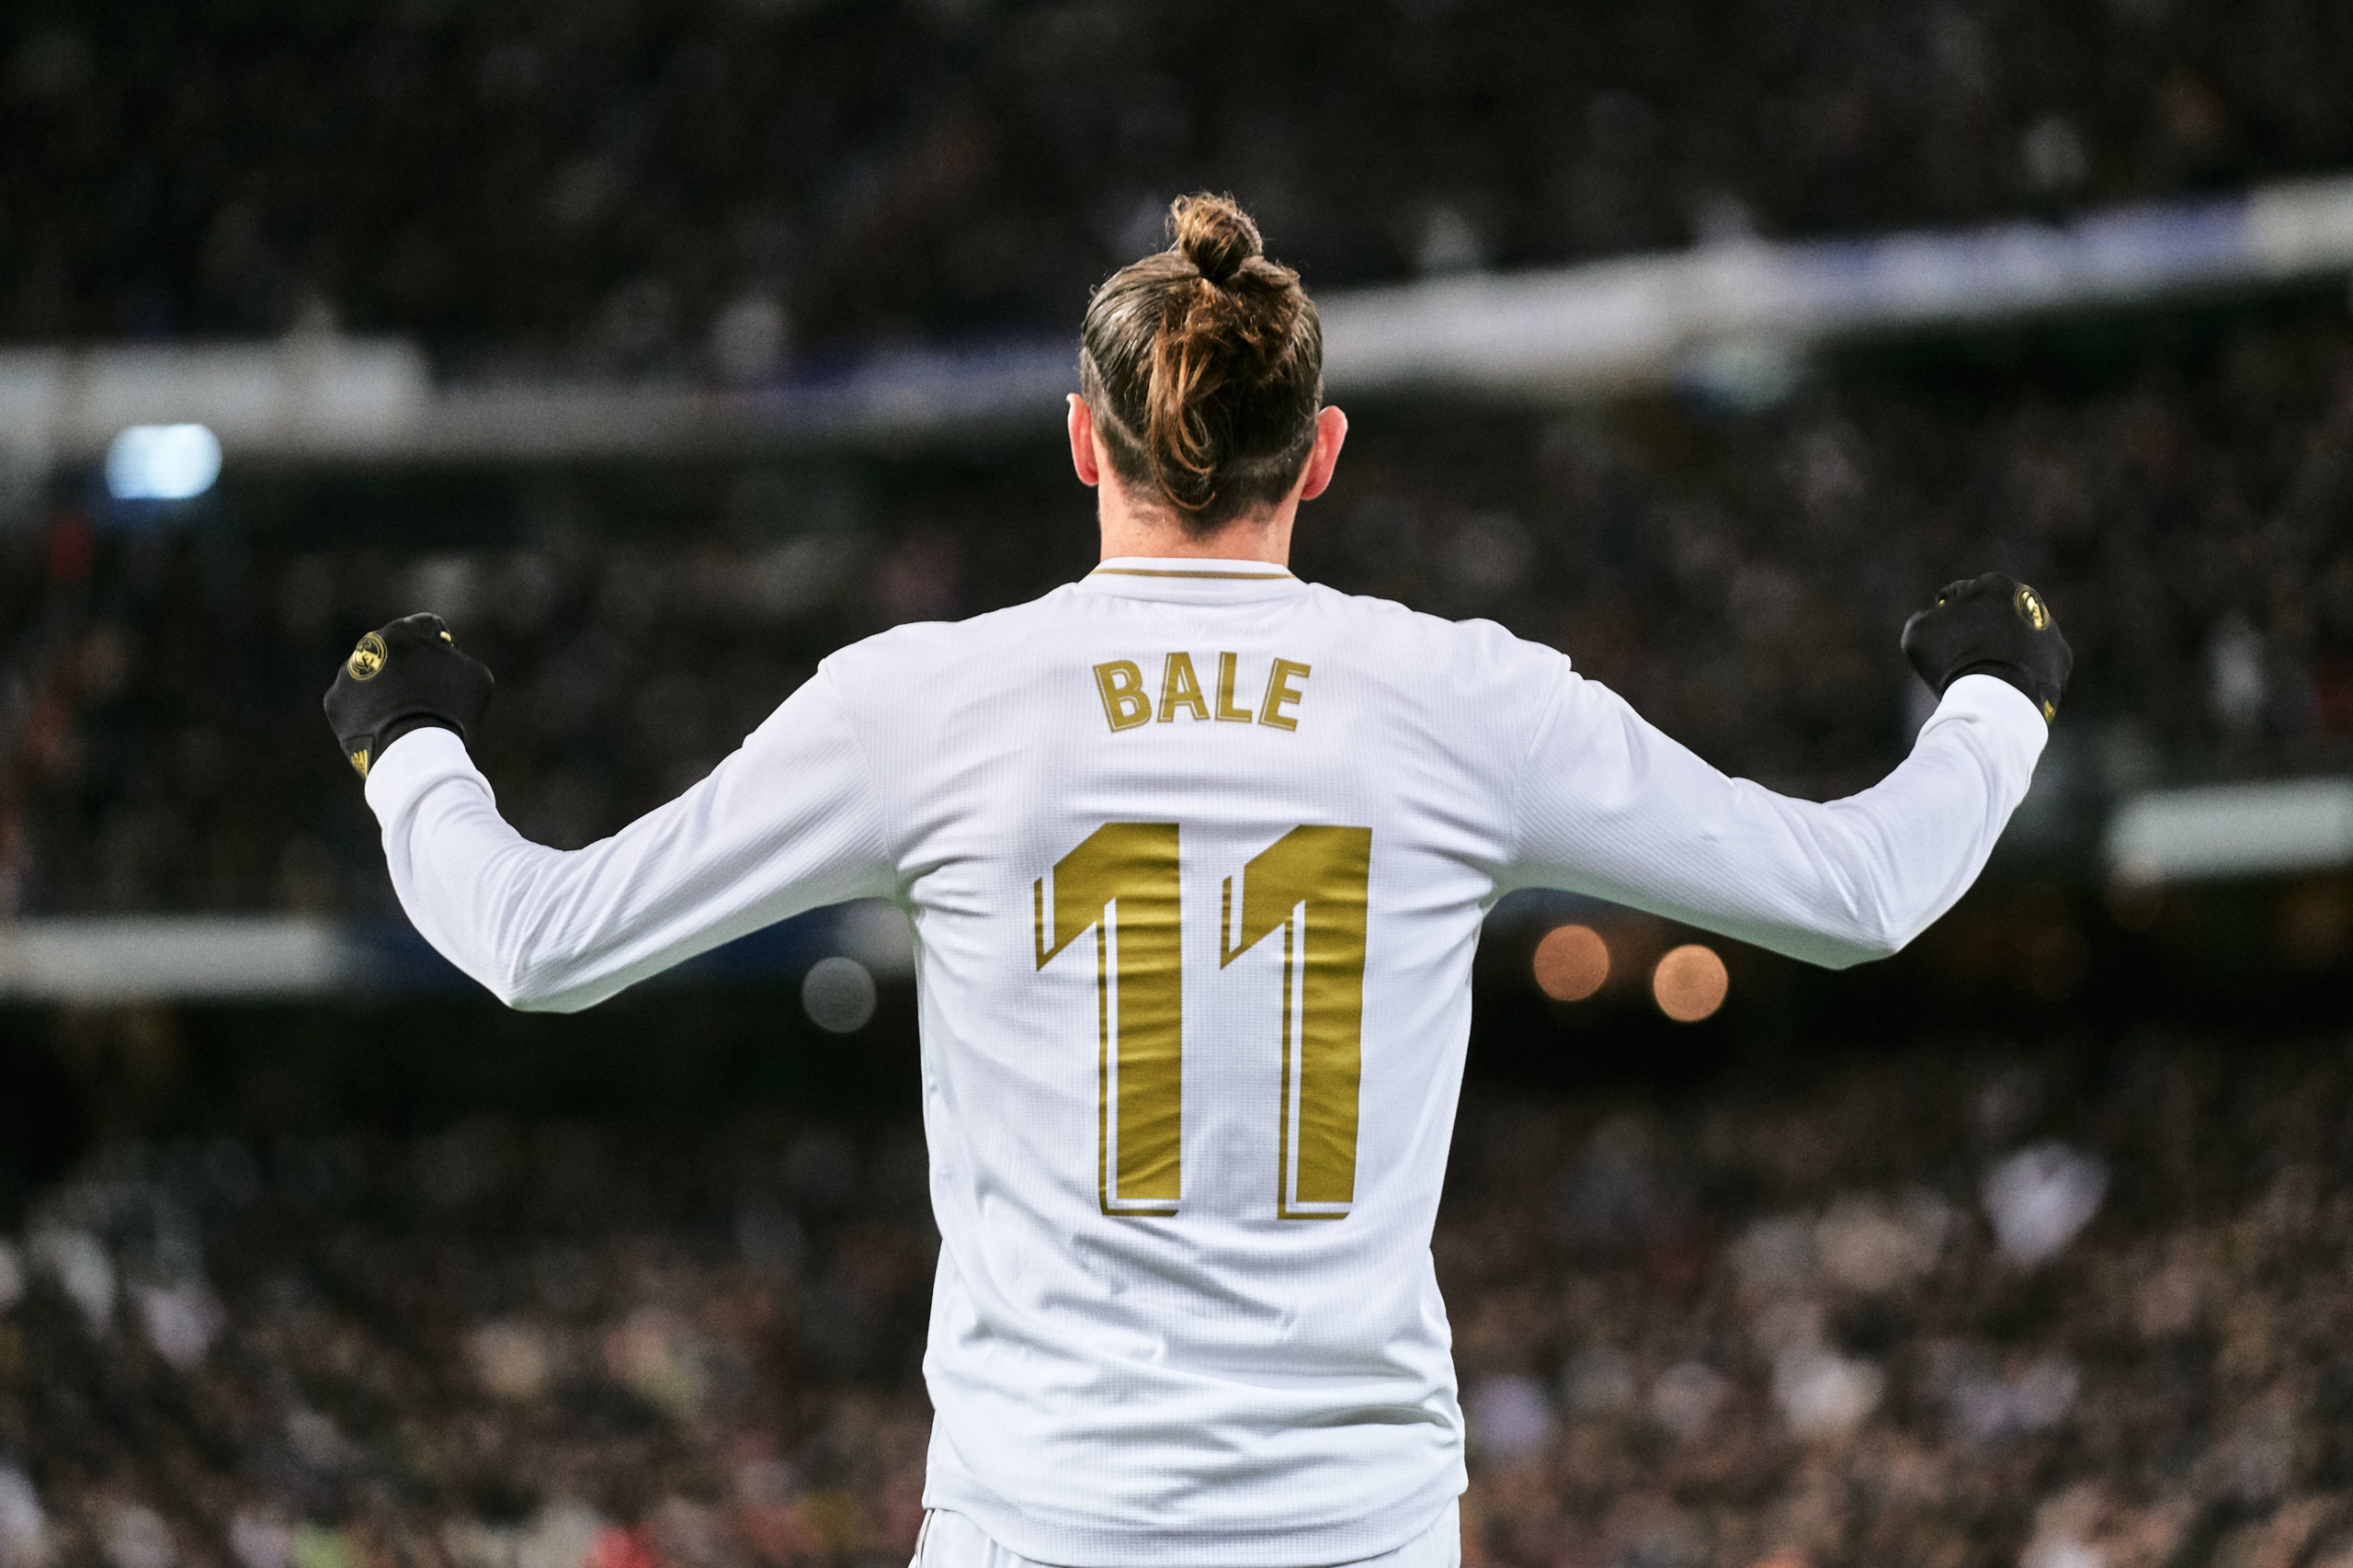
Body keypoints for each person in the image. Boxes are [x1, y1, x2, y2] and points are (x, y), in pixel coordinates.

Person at [324, 194, 2069, 1568]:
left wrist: (406, 738)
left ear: (1083, 443)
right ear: (1323, 451)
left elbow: (538, 939)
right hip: (1357, 1529)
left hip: (1038, 1523)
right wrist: (1999, 692)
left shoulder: (923, 704)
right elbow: (1862, 889)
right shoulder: (1468, 700)